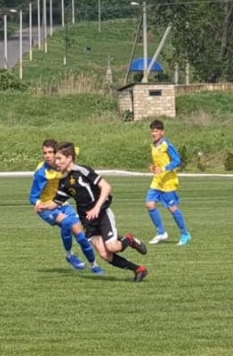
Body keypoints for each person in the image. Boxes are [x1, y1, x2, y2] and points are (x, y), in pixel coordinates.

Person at [39, 141, 148, 282]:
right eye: (56, 159)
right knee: (105, 255)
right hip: (87, 221)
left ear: (69, 158)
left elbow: (106, 187)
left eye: (59, 158)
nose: (56, 162)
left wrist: (97, 207)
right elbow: (56, 203)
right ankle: (138, 269)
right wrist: (43, 206)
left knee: (112, 247)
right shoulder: (63, 181)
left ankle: (130, 239)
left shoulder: (82, 171)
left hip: (101, 213)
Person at [29, 139, 102, 273]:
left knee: (81, 236)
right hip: (46, 207)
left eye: (50, 152)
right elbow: (33, 197)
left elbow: (73, 150)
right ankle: (70, 255)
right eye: (45, 153)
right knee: (68, 222)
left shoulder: (63, 163)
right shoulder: (42, 173)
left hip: (62, 203)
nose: (47, 156)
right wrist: (39, 205)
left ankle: (94, 266)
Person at [145, 120, 191, 246]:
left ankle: (185, 234)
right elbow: (159, 163)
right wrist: (154, 168)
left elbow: (177, 160)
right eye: (152, 131)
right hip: (157, 181)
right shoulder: (153, 145)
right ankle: (161, 232)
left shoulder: (167, 144)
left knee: (172, 208)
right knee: (150, 204)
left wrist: (164, 168)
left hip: (168, 181)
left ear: (162, 132)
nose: (153, 133)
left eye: (156, 131)